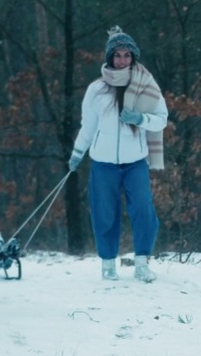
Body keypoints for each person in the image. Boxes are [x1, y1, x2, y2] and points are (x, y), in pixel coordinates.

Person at [68, 26, 168, 282]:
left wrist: (140, 118)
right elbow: (88, 126)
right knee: (105, 213)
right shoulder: (97, 90)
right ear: (109, 58)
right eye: (117, 55)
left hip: (135, 162)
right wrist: (78, 152)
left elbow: (161, 120)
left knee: (143, 210)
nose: (122, 60)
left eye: (126, 55)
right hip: (103, 163)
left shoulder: (147, 85)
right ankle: (108, 264)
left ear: (133, 57)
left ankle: (142, 262)